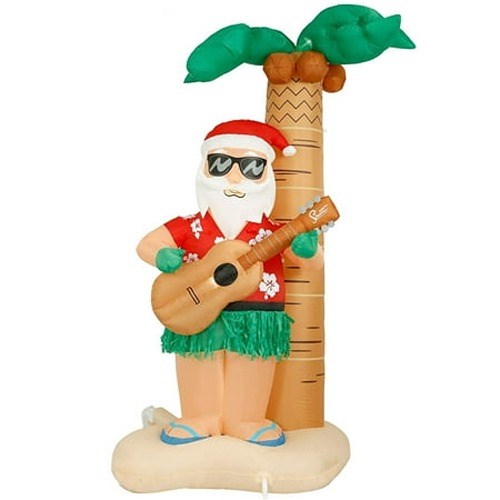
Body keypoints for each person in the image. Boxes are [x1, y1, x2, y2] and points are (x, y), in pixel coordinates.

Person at [137, 119, 323, 446]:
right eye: (221, 164)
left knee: (252, 365)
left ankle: (246, 420)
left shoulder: (273, 233)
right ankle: (199, 417)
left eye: (251, 167)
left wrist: (308, 249)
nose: (234, 177)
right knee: (199, 361)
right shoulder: (190, 226)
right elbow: (146, 245)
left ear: (266, 174)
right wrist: (162, 255)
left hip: (257, 315)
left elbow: (312, 264)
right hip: (194, 306)